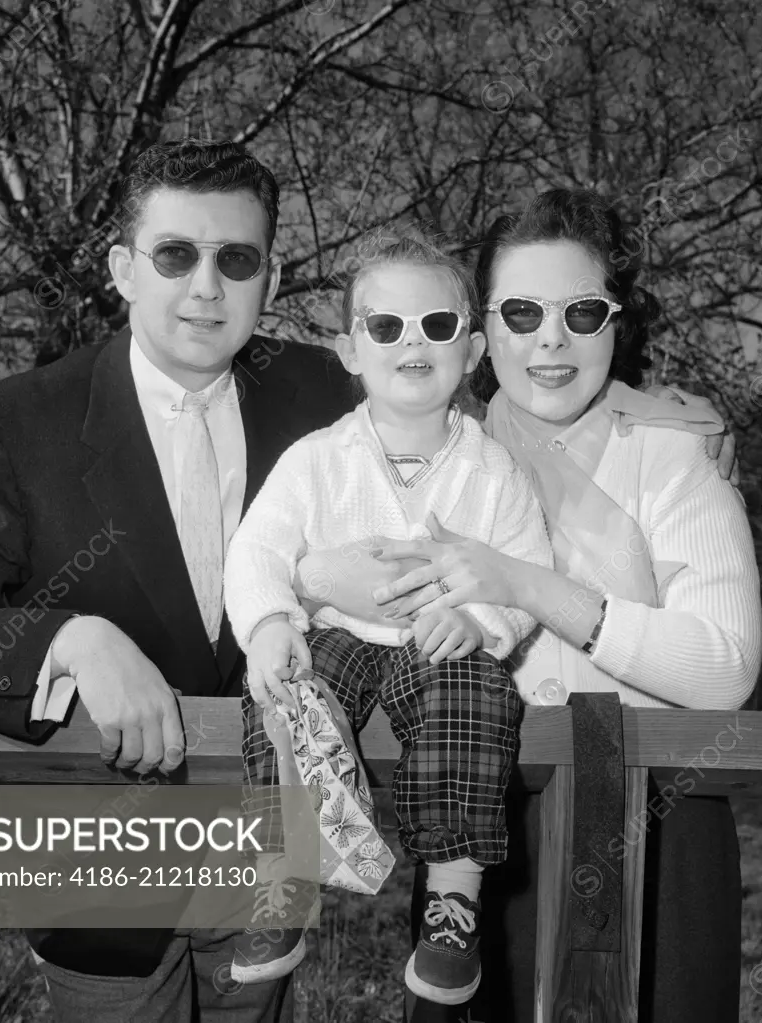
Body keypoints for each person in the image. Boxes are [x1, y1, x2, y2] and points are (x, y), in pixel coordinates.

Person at [0, 138, 359, 1023]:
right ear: (122, 270)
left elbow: (460, 429)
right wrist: (65, 638)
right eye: (175, 254)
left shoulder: (327, 398)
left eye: (237, 258)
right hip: (103, 877)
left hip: (264, 859)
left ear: (272, 274)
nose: (206, 286)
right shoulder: (16, 423)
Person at [295, 188, 762, 1023]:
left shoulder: (671, 455)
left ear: (616, 322)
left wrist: (525, 584)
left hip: (661, 823)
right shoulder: (434, 446)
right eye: (520, 310)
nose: (550, 338)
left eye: (581, 311)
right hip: (485, 824)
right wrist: (307, 573)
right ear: (482, 332)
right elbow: (305, 542)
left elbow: (723, 670)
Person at [224, 237, 554, 1007]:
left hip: (436, 646)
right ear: (348, 349)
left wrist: (480, 622)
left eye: (437, 326)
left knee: (473, 697)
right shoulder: (315, 460)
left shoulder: (494, 471)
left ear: (470, 349)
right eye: (385, 327)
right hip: (336, 632)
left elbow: (522, 570)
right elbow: (258, 550)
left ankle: (451, 903)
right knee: (285, 694)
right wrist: (271, 622)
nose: (412, 342)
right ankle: (284, 876)